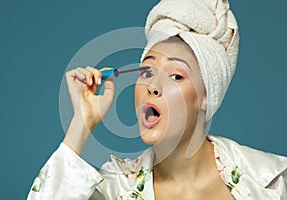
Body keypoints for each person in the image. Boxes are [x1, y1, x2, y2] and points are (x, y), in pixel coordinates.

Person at [27, 0, 287, 199]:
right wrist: (80, 125)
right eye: (147, 71)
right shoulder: (115, 188)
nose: (153, 86)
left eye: (175, 76)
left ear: (206, 97)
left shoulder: (273, 180)